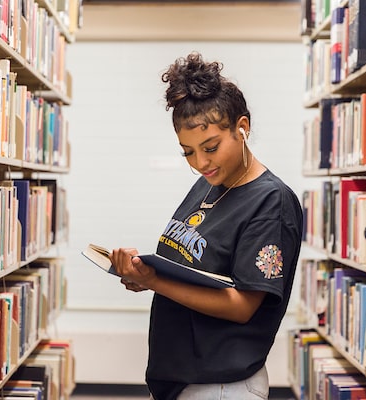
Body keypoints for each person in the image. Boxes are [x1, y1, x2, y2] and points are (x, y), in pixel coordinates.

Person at [109, 52, 303, 400]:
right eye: (188, 152)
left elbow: (241, 306)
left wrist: (155, 281)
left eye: (210, 147)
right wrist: (144, 277)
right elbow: (191, 271)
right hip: (185, 377)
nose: (200, 162)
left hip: (222, 384)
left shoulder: (271, 202)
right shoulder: (209, 184)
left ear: (242, 128)